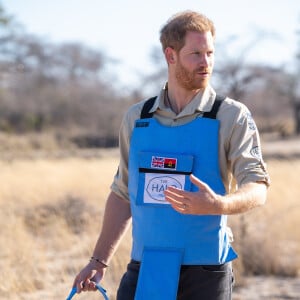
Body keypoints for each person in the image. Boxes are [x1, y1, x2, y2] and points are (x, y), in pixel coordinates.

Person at [72, 10, 270, 300]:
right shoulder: (137, 118)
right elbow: (123, 193)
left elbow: (258, 186)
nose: (206, 63)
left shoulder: (231, 116)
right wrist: (98, 261)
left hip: (205, 272)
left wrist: (219, 204)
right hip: (145, 267)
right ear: (170, 55)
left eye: (210, 53)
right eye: (196, 54)